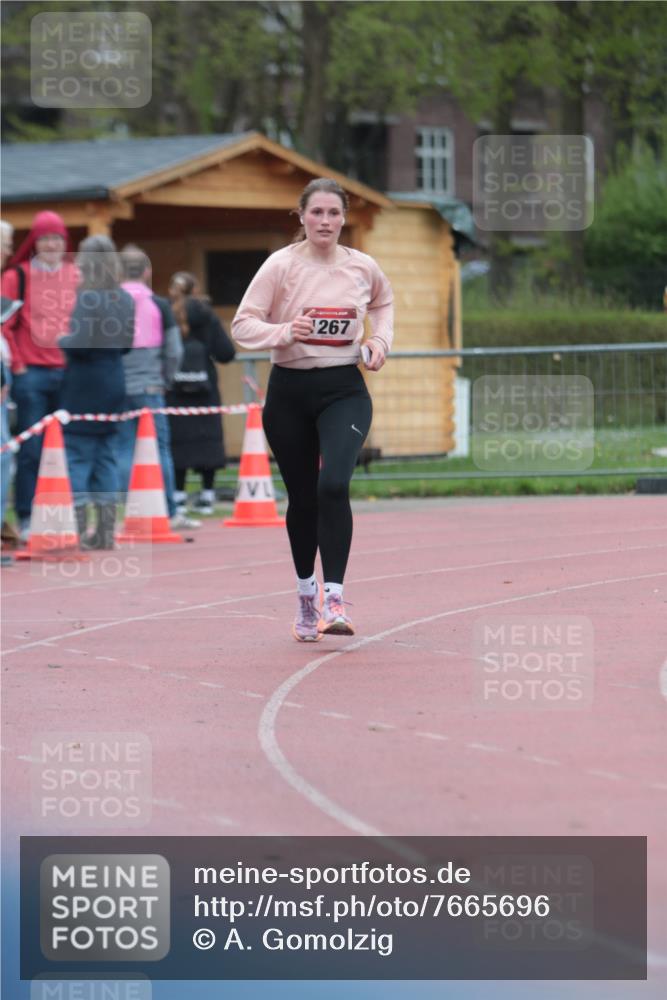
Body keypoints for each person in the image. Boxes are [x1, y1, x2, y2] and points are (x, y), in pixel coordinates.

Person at [232, 177, 393, 641]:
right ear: (301, 216)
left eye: (334, 213)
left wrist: (379, 341)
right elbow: (243, 325)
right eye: (317, 212)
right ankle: (306, 592)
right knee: (302, 498)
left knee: (334, 483)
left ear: (345, 218)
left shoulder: (363, 267)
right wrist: (286, 332)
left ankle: (335, 598)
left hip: (344, 387)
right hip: (289, 392)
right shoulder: (280, 265)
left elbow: (384, 303)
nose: (325, 221)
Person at [0, 211, 78, 540]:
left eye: (57, 238)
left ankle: (60, 514)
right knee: (30, 449)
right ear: (34, 242)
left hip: (67, 373)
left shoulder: (76, 275)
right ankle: (27, 516)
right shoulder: (18, 275)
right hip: (30, 373)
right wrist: (17, 364)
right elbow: (4, 323)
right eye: (45, 238)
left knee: (65, 447)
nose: (51, 244)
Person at [59, 236, 134, 548]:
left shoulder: (87, 297)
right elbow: (127, 345)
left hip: (85, 383)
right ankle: (104, 532)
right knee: (105, 457)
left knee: (77, 456)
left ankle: (75, 530)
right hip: (114, 379)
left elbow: (79, 344)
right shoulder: (124, 298)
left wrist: (61, 339)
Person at [115, 245, 183, 522]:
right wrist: (165, 379)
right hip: (151, 386)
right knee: (159, 449)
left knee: (122, 449)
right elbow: (175, 350)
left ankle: (124, 511)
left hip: (119, 387)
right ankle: (168, 510)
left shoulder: (110, 305)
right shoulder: (160, 304)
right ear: (147, 272)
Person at [166, 272, 236, 518]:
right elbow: (226, 353)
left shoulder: (168, 314)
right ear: (196, 290)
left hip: (174, 389)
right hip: (205, 389)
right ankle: (207, 495)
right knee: (208, 439)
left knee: (178, 440)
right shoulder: (207, 315)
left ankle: (178, 496)